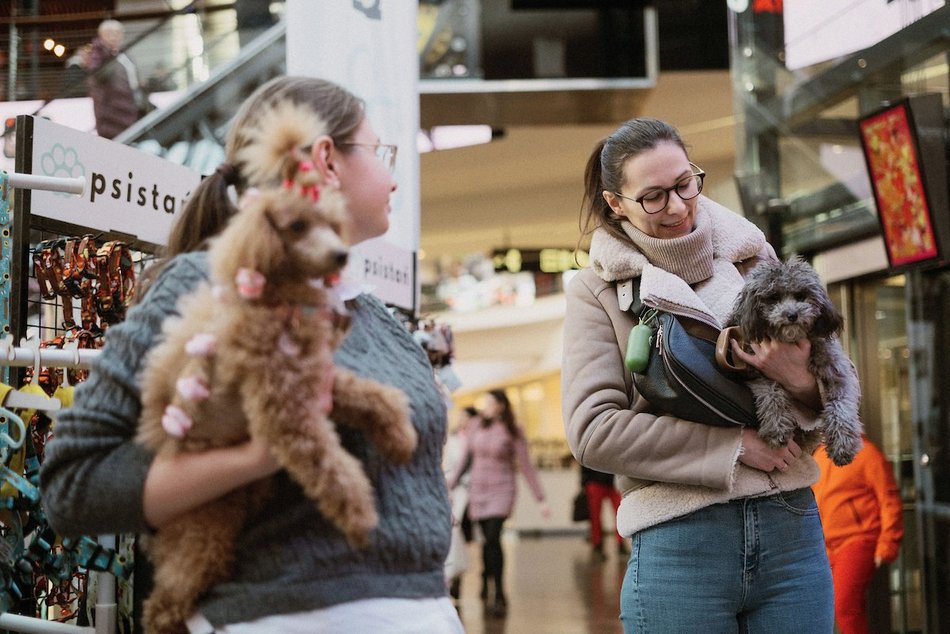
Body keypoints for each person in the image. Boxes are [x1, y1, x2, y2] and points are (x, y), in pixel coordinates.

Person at [40, 76, 463, 633]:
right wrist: (261, 455)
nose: (393, 178)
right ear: (326, 159)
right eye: (381, 153)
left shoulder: (376, 318)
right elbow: (74, 484)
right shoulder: (208, 286)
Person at [561, 117, 836, 632]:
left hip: (791, 529)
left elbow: (835, 381)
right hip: (679, 541)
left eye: (685, 184)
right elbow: (593, 430)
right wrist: (732, 447)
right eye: (653, 197)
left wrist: (797, 378)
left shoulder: (756, 259)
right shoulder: (597, 291)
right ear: (615, 203)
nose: (677, 206)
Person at [447, 389, 550, 618]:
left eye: (489, 403)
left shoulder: (513, 430)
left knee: (493, 537)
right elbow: (465, 460)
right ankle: (486, 578)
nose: (485, 407)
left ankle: (499, 593)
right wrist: (449, 486)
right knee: (486, 541)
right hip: (478, 491)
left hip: (502, 490)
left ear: (501, 405)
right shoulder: (476, 425)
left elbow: (526, 465)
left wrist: (540, 499)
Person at [812, 434, 904, 634]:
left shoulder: (867, 454)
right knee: (827, 609)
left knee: (845, 607)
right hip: (825, 547)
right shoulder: (819, 455)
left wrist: (888, 543)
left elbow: (889, 500)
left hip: (858, 541)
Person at [442, 406, 480, 608]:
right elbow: (448, 467)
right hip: (459, 493)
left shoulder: (480, 439)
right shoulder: (453, 441)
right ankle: (455, 581)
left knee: (475, 539)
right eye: (462, 417)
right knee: (457, 536)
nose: (463, 421)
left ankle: (483, 579)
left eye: (468, 417)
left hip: (479, 494)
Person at [85, 19, 149, 139]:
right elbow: (97, 75)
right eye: (109, 33)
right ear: (101, 35)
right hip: (112, 114)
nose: (114, 37)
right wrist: (109, 54)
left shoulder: (123, 53)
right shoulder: (98, 54)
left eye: (117, 33)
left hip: (131, 110)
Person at [580, 465, 627, 560]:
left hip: (612, 482)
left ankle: (621, 545)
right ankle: (597, 546)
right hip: (595, 481)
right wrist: (584, 483)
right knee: (595, 517)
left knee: (620, 515)